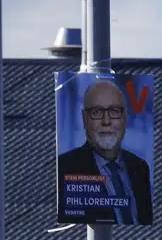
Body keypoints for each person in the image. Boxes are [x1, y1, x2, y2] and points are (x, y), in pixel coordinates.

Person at [56, 77, 154, 225]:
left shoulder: (140, 168)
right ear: (84, 119)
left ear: (125, 118)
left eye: (114, 111)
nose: (106, 121)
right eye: (97, 112)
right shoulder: (66, 168)